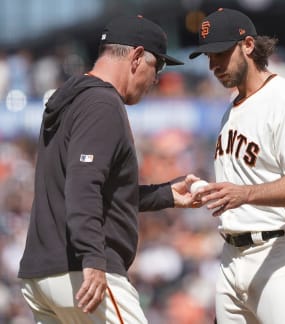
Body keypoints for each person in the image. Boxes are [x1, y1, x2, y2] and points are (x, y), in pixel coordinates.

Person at [18, 15, 201, 323]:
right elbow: (83, 184)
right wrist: (92, 257)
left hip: (42, 272)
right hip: (78, 268)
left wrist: (165, 195)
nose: (156, 79)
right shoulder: (102, 103)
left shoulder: (72, 98)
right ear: (138, 56)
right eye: (158, 67)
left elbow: (97, 190)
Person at [189, 8, 285, 323]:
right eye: (208, 56)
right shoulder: (231, 109)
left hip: (282, 253)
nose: (213, 65)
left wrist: (245, 194)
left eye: (220, 53)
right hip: (231, 256)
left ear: (248, 45)